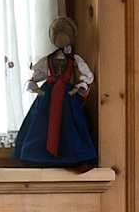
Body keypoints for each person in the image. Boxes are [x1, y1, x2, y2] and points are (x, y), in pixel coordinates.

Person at [14, 15, 97, 168]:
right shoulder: (48, 59)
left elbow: (87, 76)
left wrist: (79, 87)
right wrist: (36, 88)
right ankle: (38, 156)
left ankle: (74, 157)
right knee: (41, 125)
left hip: (66, 95)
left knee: (69, 125)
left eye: (64, 35)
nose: (60, 39)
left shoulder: (74, 59)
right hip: (49, 94)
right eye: (57, 36)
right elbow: (36, 76)